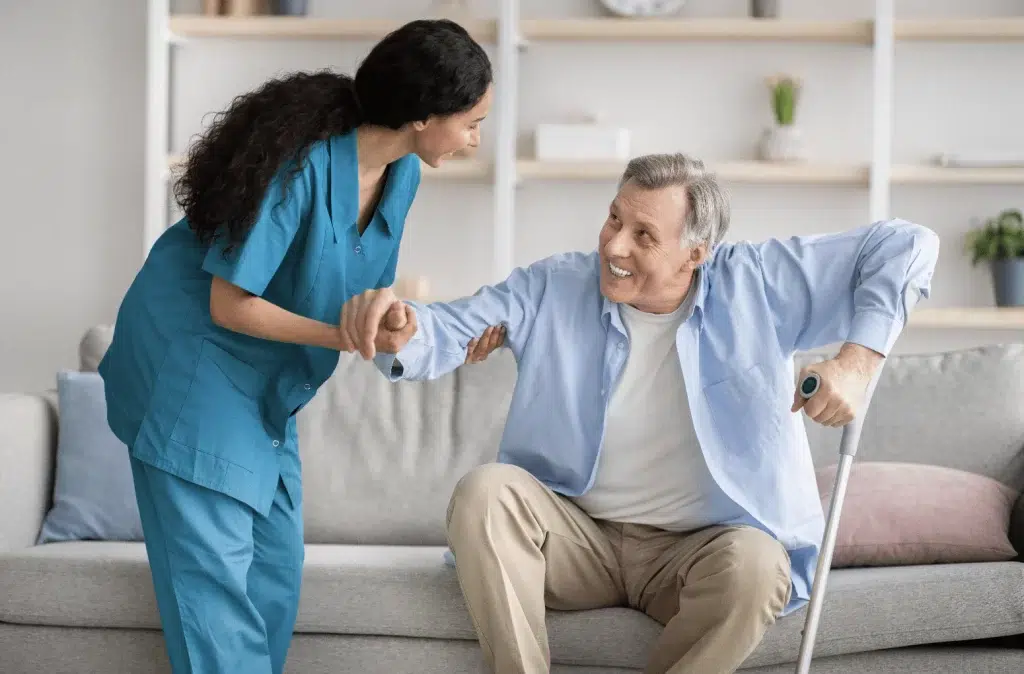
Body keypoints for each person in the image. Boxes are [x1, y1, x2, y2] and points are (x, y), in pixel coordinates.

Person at [338, 152, 940, 674]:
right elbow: (446, 327)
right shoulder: (553, 286)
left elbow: (908, 244)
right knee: (486, 493)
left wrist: (857, 363)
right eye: (613, 218)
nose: (614, 245)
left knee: (759, 566)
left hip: (698, 551)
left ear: (696, 253)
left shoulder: (758, 283)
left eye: (643, 235)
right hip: (577, 540)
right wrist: (404, 330)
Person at [97, 19, 504, 674]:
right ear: (425, 115)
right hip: (193, 368)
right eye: (472, 121)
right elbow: (229, 303)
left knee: (276, 577)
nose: (476, 137)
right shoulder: (302, 167)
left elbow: (356, 289)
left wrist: (391, 319)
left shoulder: (402, 175)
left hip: (267, 387)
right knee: (217, 595)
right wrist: (342, 336)